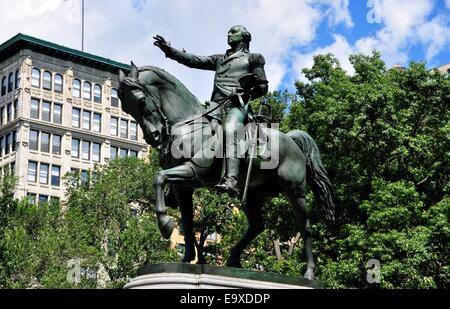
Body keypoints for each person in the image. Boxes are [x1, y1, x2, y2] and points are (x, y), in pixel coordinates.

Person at [154, 25, 268, 195]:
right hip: (214, 107)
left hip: (236, 106)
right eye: (229, 32)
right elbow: (193, 60)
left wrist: (246, 91)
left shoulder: (253, 58)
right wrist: (169, 50)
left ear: (244, 37)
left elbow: (263, 87)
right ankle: (176, 183)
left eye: (233, 32)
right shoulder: (219, 59)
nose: (229, 34)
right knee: (185, 131)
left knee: (230, 129)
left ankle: (231, 179)